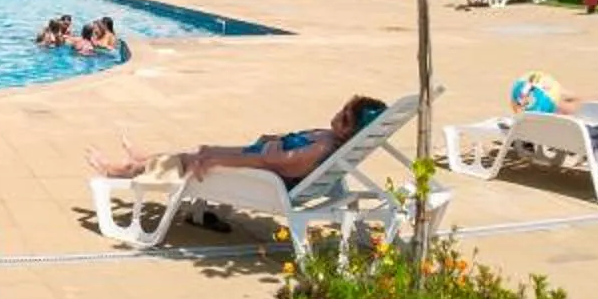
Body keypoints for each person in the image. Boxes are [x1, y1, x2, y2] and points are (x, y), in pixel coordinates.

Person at [89, 94, 386, 187]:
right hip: (255, 161)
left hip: (256, 172)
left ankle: (118, 170)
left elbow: (277, 160)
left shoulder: (324, 147)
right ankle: (142, 159)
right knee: (200, 151)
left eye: (346, 119)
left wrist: (218, 160)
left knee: (194, 160)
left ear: (353, 132)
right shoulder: (330, 139)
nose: (339, 116)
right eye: (344, 108)